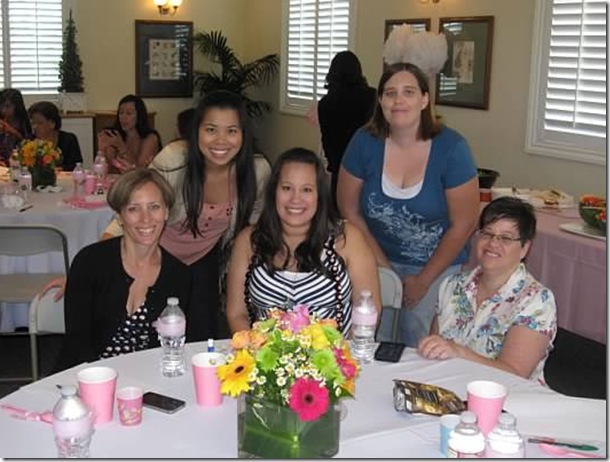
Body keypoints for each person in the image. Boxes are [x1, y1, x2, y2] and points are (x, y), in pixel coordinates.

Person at [337, 62, 480, 348]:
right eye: (390, 93)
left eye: (409, 92)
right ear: (380, 101)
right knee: (368, 339)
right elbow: (349, 210)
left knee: (422, 345)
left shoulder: (452, 148)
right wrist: (385, 269)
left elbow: (464, 224)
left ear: (424, 99)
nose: (398, 100)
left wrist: (423, 280)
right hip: (373, 257)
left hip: (436, 265)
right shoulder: (364, 142)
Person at [226, 147, 381, 336]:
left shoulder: (347, 239)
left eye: (306, 190)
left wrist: (341, 352)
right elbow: (237, 314)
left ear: (320, 196)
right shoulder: (248, 241)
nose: (295, 199)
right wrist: (257, 348)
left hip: (336, 353)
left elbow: (369, 310)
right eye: (286, 188)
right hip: (263, 352)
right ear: (273, 192)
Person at [54, 168, 192, 372]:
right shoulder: (90, 262)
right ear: (119, 217)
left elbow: (179, 348)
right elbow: (78, 343)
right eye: (134, 209)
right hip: (86, 375)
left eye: (154, 207)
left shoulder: (179, 276)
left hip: (149, 380)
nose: (146, 219)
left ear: (166, 212)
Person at [417, 197, 557, 383]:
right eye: (487, 233)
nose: (493, 243)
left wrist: (459, 353)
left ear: (525, 248)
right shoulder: (452, 285)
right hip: (448, 386)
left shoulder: (537, 300)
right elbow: (434, 349)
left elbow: (515, 374)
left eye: (506, 238)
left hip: (508, 395)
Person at [317, 51, 376, 210]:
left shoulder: (325, 103)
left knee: (340, 218)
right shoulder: (371, 97)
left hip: (339, 171)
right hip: (366, 173)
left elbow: (326, 140)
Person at [97, 94, 162, 174]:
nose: (123, 117)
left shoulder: (150, 138)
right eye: (121, 113)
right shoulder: (115, 135)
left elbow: (140, 171)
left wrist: (122, 147)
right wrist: (102, 150)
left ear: (139, 116)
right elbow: (107, 171)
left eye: (129, 113)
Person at [28, 101, 83, 171]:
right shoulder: (29, 141)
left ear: (52, 123)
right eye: (33, 123)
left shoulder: (69, 139)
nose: (35, 127)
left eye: (40, 123)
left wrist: (58, 170)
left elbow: (76, 165)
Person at [0, 88, 32, 166]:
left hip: (19, 162)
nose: (3, 110)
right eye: (1, 106)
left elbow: (28, 144)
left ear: (17, 106)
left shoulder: (23, 121)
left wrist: (12, 131)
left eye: (7, 106)